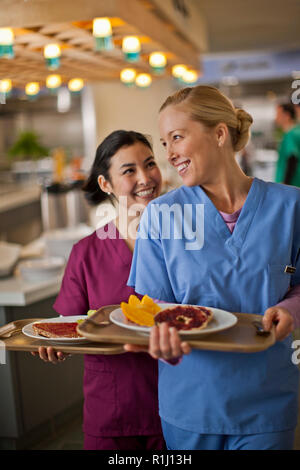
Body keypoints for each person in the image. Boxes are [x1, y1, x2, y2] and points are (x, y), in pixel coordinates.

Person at [125, 86, 300, 450]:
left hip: (266, 402)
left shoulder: (291, 207)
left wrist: (290, 309)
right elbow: (152, 307)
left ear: (219, 134)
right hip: (190, 403)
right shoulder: (161, 215)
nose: (169, 154)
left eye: (177, 137)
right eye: (164, 142)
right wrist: (158, 338)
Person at [32, 130, 165, 451]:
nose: (145, 177)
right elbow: (71, 324)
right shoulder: (85, 252)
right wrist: (55, 344)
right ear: (105, 184)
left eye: (150, 164)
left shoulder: (181, 244)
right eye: (129, 170)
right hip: (112, 409)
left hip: (175, 405)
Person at [275, 102, 300, 187]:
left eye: (278, 114)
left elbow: (292, 158)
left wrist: (285, 183)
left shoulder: (291, 134)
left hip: (291, 185)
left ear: (287, 115)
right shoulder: (296, 131)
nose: (276, 118)